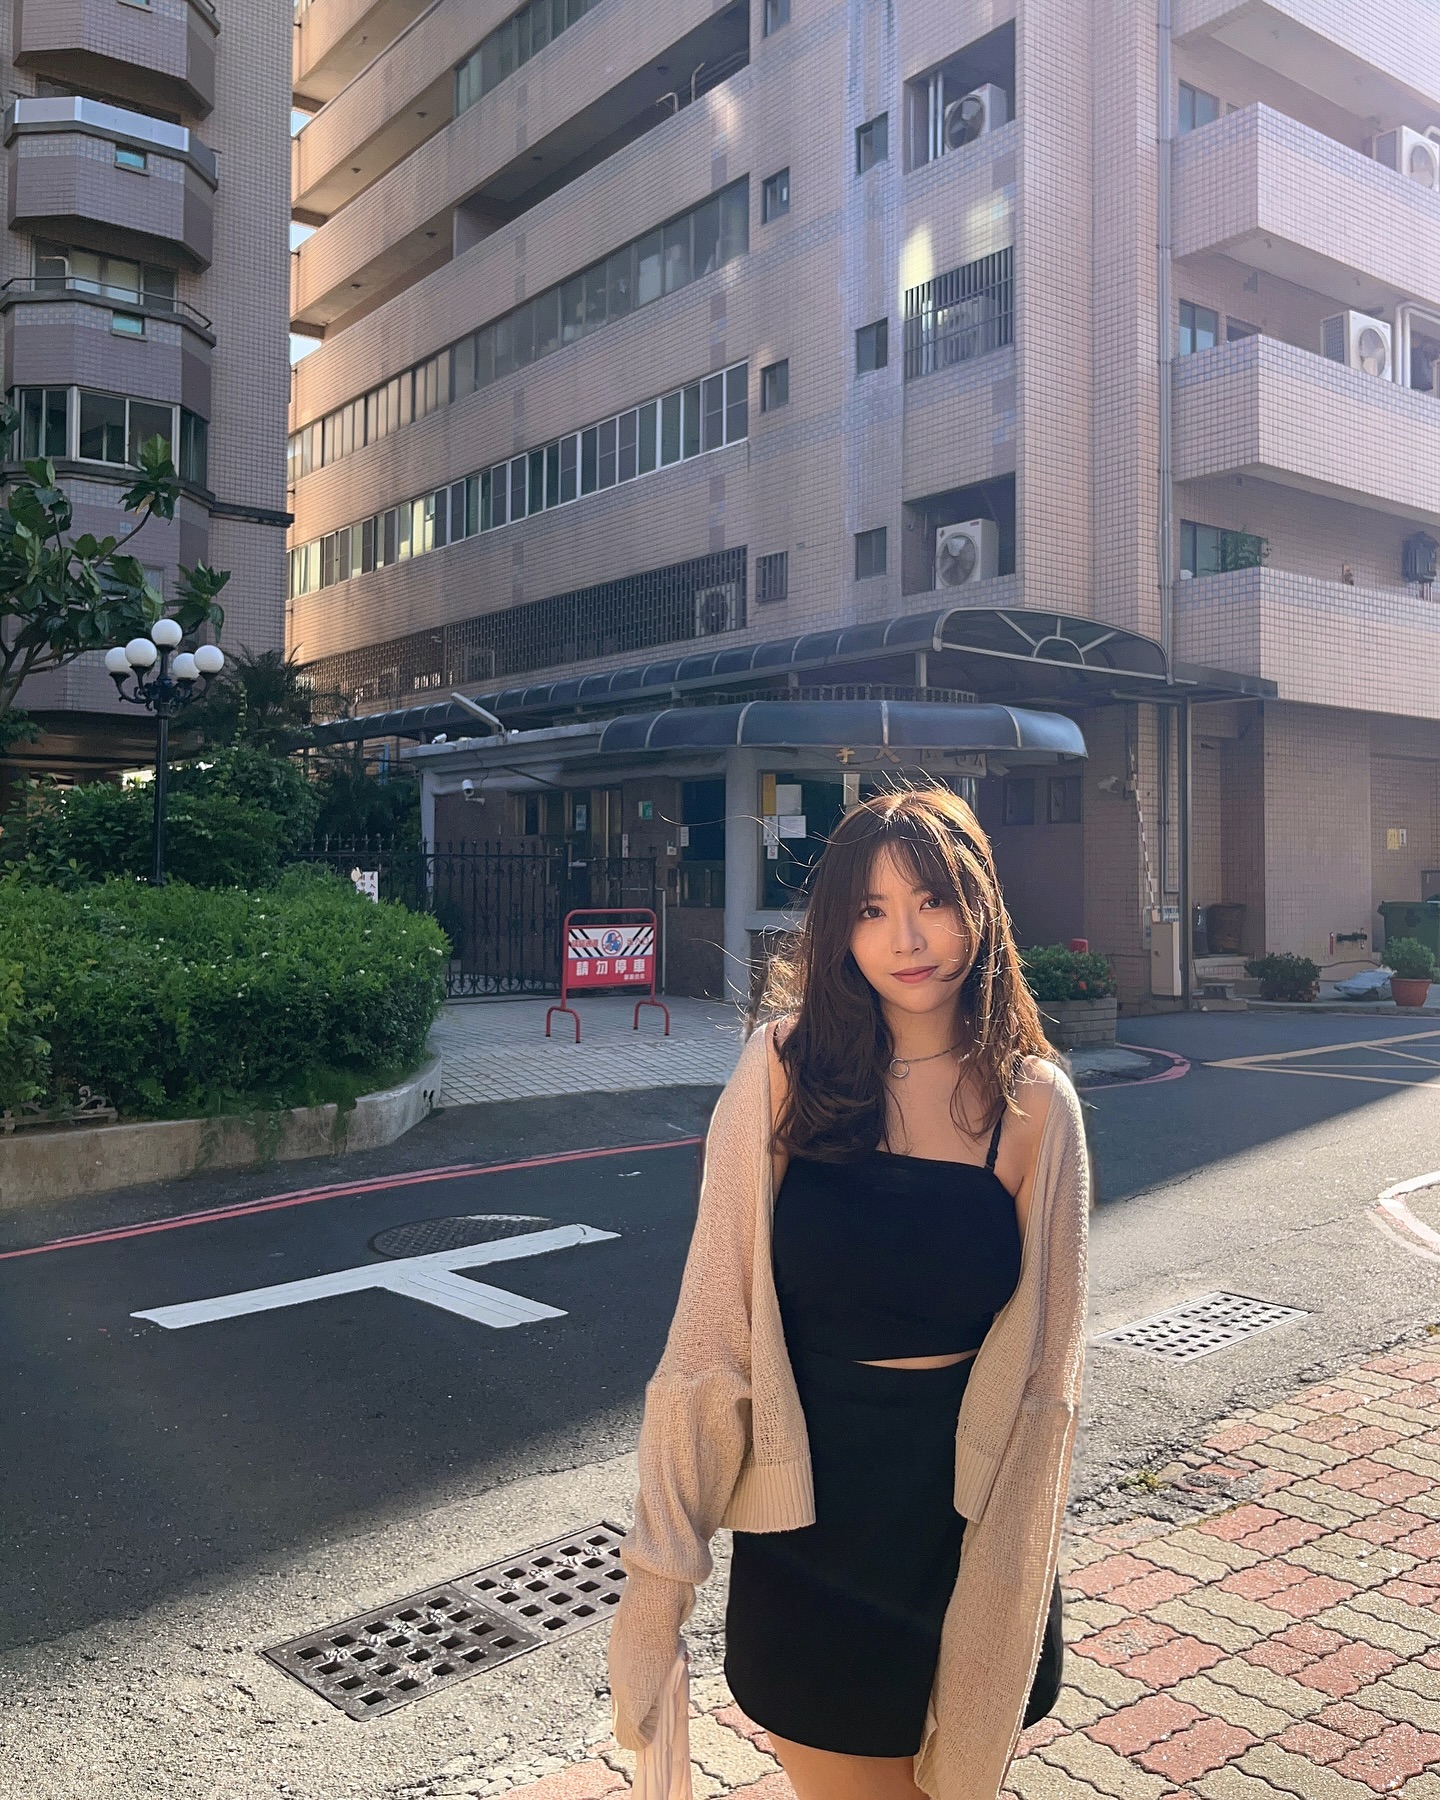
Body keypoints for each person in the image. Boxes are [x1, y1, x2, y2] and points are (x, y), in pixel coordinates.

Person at [608, 787, 1091, 1800]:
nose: (906, 939)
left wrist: (1009, 1566)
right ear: (838, 930)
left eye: (932, 902)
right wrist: (656, 1589)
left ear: (980, 908)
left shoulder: (1035, 1104)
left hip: (969, 1520)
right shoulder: (784, 1069)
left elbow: (1048, 1381)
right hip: (815, 1525)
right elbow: (711, 1337)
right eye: (871, 911)